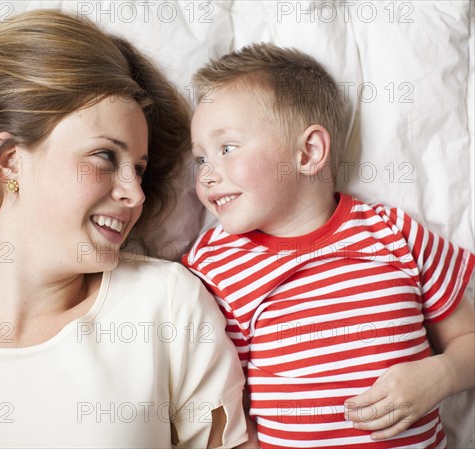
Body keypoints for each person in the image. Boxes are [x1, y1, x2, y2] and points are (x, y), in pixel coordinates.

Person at [0, 10, 249, 448]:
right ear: (11, 159)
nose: (136, 194)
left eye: (140, 170)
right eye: (106, 157)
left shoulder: (165, 306)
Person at [182, 43, 475, 449]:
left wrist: (441, 375)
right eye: (199, 160)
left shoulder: (395, 233)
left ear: (308, 152)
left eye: (226, 148)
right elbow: (220, 404)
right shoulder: (214, 265)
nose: (207, 176)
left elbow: (468, 339)